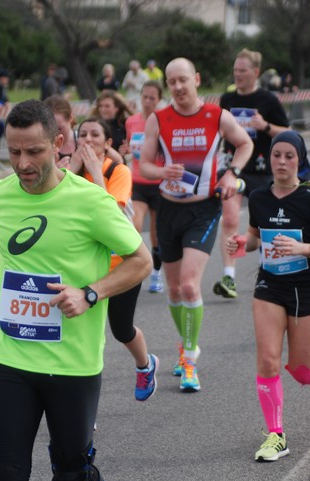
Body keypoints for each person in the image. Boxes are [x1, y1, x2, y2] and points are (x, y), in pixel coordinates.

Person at [0, 99, 152, 481]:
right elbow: (1, 245)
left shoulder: (90, 202)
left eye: (34, 152)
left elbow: (140, 260)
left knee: (71, 470)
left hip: (72, 365)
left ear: (59, 144)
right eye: (13, 153)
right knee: (8, 476)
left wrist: (91, 292)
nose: (24, 164)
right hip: (10, 358)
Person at [139, 57, 253, 392]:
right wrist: (163, 172)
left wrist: (232, 173)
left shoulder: (216, 115)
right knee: (174, 290)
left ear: (197, 79)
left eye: (183, 80)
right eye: (171, 82)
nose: (177, 87)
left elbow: (245, 144)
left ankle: (189, 358)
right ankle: (186, 343)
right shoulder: (158, 119)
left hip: (203, 208)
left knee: (189, 285)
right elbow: (144, 165)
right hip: (169, 208)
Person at [225, 130, 310, 461]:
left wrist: (301, 248)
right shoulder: (259, 197)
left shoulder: (307, 199)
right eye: (277, 155)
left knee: (302, 371)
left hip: (304, 289)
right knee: (268, 359)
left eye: (290, 156)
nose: (282, 162)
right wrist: (243, 244)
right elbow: (256, 235)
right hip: (269, 286)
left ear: (300, 161)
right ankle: (276, 435)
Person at [69, 116, 159, 401]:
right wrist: (71, 169)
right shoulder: (67, 173)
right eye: (82, 134)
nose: (87, 139)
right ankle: (81, 407)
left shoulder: (118, 171)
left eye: (95, 135)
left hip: (122, 265)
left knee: (121, 329)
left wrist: (95, 173)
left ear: (107, 144)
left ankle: (145, 364)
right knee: (82, 337)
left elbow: (110, 214)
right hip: (84, 266)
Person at [213, 48, 290, 299]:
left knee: (265, 224)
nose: (237, 74)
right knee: (231, 217)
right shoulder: (226, 99)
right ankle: (229, 277)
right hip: (235, 167)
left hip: (264, 170)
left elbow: (286, 134)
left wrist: (264, 126)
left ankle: (268, 272)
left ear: (255, 72)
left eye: (242, 70)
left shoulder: (268, 100)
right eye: (235, 70)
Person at [122, 80, 164, 293]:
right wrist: (126, 149)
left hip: (158, 183)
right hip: (137, 180)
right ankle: (134, 268)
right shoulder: (132, 121)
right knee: (135, 223)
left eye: (152, 98)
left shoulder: (164, 121)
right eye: (144, 97)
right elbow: (130, 146)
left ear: (159, 99)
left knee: (156, 234)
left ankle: (156, 273)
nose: (147, 102)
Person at [43, 95, 77, 168]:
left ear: (70, 118)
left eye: (59, 128)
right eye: (48, 128)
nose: (54, 133)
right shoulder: (40, 147)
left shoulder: (82, 142)